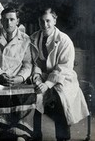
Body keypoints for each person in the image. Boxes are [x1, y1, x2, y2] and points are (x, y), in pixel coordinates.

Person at [30, 8, 89, 141]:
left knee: (59, 99)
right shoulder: (34, 38)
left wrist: (47, 84)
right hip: (43, 77)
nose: (44, 25)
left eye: (48, 21)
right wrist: (37, 76)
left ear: (55, 20)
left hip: (63, 79)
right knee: (33, 97)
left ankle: (62, 137)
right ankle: (35, 136)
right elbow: (34, 62)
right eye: (41, 21)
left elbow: (63, 68)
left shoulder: (64, 40)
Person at [0, 7, 32, 86]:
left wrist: (20, 77)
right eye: (5, 20)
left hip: (18, 81)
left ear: (17, 21)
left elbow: (28, 63)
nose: (8, 23)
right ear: (1, 21)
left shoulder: (25, 39)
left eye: (12, 19)